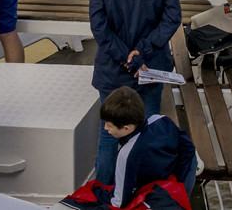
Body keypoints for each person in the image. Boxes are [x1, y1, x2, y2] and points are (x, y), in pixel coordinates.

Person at [89, 0, 181, 184]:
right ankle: (144, 188)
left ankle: (104, 191)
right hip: (150, 68)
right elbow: (172, 16)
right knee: (147, 127)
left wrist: (123, 56)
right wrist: (143, 52)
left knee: (108, 134)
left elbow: (99, 25)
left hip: (113, 72)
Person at [60, 88, 198, 210]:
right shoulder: (161, 120)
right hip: (174, 182)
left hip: (151, 189)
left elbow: (118, 202)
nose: (106, 129)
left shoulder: (127, 154)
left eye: (109, 125)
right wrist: (181, 183)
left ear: (127, 128)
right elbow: (188, 148)